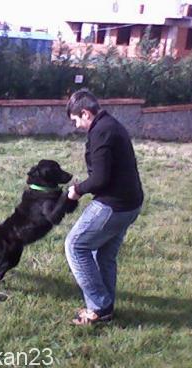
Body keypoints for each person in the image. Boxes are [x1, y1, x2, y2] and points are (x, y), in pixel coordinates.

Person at [65, 89, 144, 325]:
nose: (77, 125)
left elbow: (99, 179)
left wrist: (77, 191)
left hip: (115, 204)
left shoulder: (101, 131)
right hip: (131, 203)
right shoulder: (110, 125)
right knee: (105, 255)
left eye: (76, 120)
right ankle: (105, 310)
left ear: (86, 114)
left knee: (76, 245)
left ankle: (99, 307)